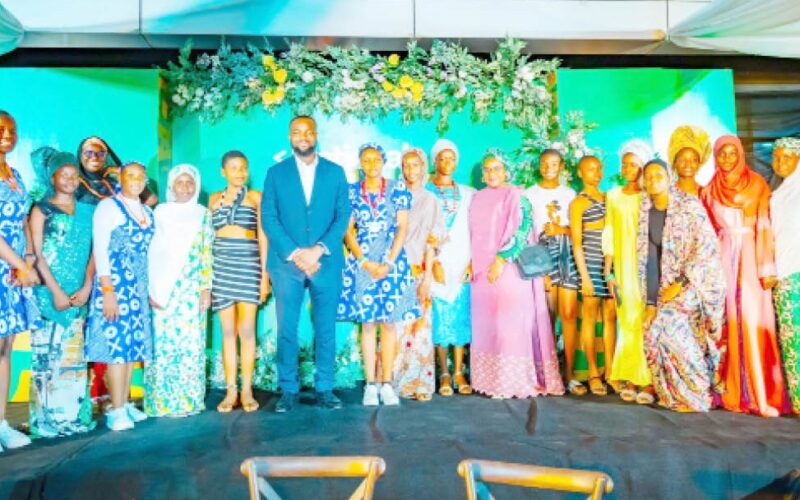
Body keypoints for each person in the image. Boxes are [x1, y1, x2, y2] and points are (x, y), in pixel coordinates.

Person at [262, 115, 351, 412]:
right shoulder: (276, 173)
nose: (303, 136)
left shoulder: (335, 173)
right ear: (290, 137)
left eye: (308, 132)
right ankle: (288, 390)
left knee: (325, 327)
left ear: (316, 135)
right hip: (287, 264)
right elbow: (269, 218)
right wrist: (296, 253)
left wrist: (317, 251)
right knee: (287, 328)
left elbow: (342, 217)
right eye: (297, 132)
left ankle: (324, 388)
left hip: (325, 261)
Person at [701, 135, 789, 417]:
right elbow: (706, 234)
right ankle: (732, 392)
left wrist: (766, 268)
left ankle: (762, 395)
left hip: (751, 257)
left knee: (753, 321)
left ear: (740, 154)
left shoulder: (757, 185)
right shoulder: (709, 190)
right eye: (722, 154)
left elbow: (764, 225)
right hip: (722, 257)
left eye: (731, 153)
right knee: (727, 322)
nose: (727, 159)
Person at [469, 152, 563, 399]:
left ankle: (513, 382)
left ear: (506, 171)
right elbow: (473, 234)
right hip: (482, 273)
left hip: (508, 269)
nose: (492, 174)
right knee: (488, 325)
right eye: (487, 169)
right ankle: (491, 381)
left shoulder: (518, 196)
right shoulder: (477, 198)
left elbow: (522, 231)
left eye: (497, 169)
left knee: (509, 324)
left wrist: (501, 259)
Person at [74, 136, 156, 403]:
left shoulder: (147, 213)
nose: (136, 181)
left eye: (140, 177)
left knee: (132, 348)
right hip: (116, 285)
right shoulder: (108, 206)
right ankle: (117, 407)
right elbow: (100, 250)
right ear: (121, 178)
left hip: (139, 287)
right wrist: (108, 291)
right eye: (130, 176)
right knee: (117, 348)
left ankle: (126, 402)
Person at [639, 159, 725, 412]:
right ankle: (674, 395)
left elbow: (707, 248)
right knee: (651, 329)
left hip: (696, 282)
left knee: (671, 326)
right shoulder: (646, 211)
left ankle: (698, 395)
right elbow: (650, 260)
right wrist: (651, 302)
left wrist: (681, 282)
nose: (653, 179)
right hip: (665, 287)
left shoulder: (689, 205)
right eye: (649, 175)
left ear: (669, 178)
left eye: (659, 174)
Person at [339, 144, 419, 406]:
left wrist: (388, 262)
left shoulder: (397, 189)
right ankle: (370, 385)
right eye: (366, 160)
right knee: (368, 325)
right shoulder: (351, 192)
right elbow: (348, 230)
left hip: (391, 263)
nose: (371, 164)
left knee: (388, 323)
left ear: (384, 162)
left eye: (376, 160)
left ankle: (387, 382)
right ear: (360, 163)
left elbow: (402, 228)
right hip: (362, 265)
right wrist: (363, 261)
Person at [28, 148, 95, 437]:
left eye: (73, 174)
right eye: (63, 175)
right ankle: (47, 421)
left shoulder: (89, 212)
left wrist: (87, 286)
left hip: (78, 294)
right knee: (46, 357)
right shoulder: (40, 209)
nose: (69, 179)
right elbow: (37, 255)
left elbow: (95, 252)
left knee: (72, 358)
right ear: (53, 178)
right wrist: (55, 291)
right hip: (48, 293)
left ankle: (71, 416)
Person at [145, 164, 213, 417]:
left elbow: (207, 251)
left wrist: (206, 288)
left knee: (190, 345)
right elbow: (152, 252)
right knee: (162, 346)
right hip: (163, 287)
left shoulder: (203, 214)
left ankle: (188, 400)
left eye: (190, 182)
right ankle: (161, 402)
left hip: (191, 290)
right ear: (170, 187)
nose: (185, 187)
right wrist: (152, 287)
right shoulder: (159, 212)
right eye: (180, 182)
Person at [209, 151, 269, 413]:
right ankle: (230, 389)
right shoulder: (212, 199)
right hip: (221, 267)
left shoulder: (255, 198)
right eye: (233, 168)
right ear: (223, 171)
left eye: (243, 168)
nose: (239, 172)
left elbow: (264, 237)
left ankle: (247, 389)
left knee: (246, 331)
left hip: (249, 266)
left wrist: (264, 276)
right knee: (227, 332)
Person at [524, 150, 581, 394]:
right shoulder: (529, 194)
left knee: (568, 314)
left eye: (554, 163)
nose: (549, 167)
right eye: (545, 163)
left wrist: (562, 229)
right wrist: (540, 270)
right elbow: (527, 232)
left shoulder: (569, 194)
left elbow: (578, 231)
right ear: (539, 166)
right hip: (540, 254)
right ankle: (548, 374)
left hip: (566, 253)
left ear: (562, 166)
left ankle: (571, 374)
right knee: (545, 317)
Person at [602, 140, 653, 403]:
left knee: (647, 318)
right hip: (623, 266)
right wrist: (608, 271)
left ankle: (651, 381)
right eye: (625, 163)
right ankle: (633, 376)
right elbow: (609, 231)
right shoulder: (613, 195)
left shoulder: (651, 194)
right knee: (628, 320)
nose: (629, 168)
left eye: (634, 164)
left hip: (649, 265)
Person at [0, 110, 38, 451]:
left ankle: (1, 425)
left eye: (12, 129)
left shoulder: (14, 174)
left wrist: (27, 258)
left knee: (5, 346)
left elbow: (23, 221)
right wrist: (20, 266)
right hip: (4, 267)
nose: (7, 134)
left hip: (11, 272)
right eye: (0, 129)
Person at [393, 148, 442, 401]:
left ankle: (420, 384)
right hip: (395, 271)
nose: (411, 170)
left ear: (423, 168)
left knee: (420, 329)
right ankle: (394, 382)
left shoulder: (431, 200)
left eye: (415, 165)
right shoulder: (395, 198)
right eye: (406, 166)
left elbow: (433, 241)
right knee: (397, 329)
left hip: (420, 270)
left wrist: (428, 277)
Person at [427, 138, 475, 396]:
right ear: (434, 161)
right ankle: (443, 373)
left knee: (460, 318)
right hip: (435, 263)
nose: (447, 163)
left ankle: (459, 371)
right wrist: (432, 262)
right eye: (442, 159)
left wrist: (472, 262)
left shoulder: (468, 193)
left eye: (451, 159)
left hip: (462, 263)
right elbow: (418, 231)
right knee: (439, 319)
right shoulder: (424, 191)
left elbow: (477, 232)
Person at [570, 156, 616, 396]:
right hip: (589, 264)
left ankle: (610, 370)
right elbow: (577, 244)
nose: (596, 173)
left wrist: (612, 268)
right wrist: (585, 277)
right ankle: (592, 372)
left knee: (610, 317)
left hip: (609, 266)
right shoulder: (578, 203)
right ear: (580, 172)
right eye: (590, 169)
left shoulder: (610, 198)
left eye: (599, 168)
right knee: (589, 317)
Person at [771, 137, 800, 414]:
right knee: (792, 340)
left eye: (787, 157)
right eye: (777, 158)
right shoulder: (777, 195)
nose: (780, 163)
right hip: (784, 275)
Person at [667, 125, 711, 197]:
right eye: (682, 160)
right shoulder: (666, 195)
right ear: (674, 163)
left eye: (694, 160)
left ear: (699, 164)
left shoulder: (707, 195)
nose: (688, 164)